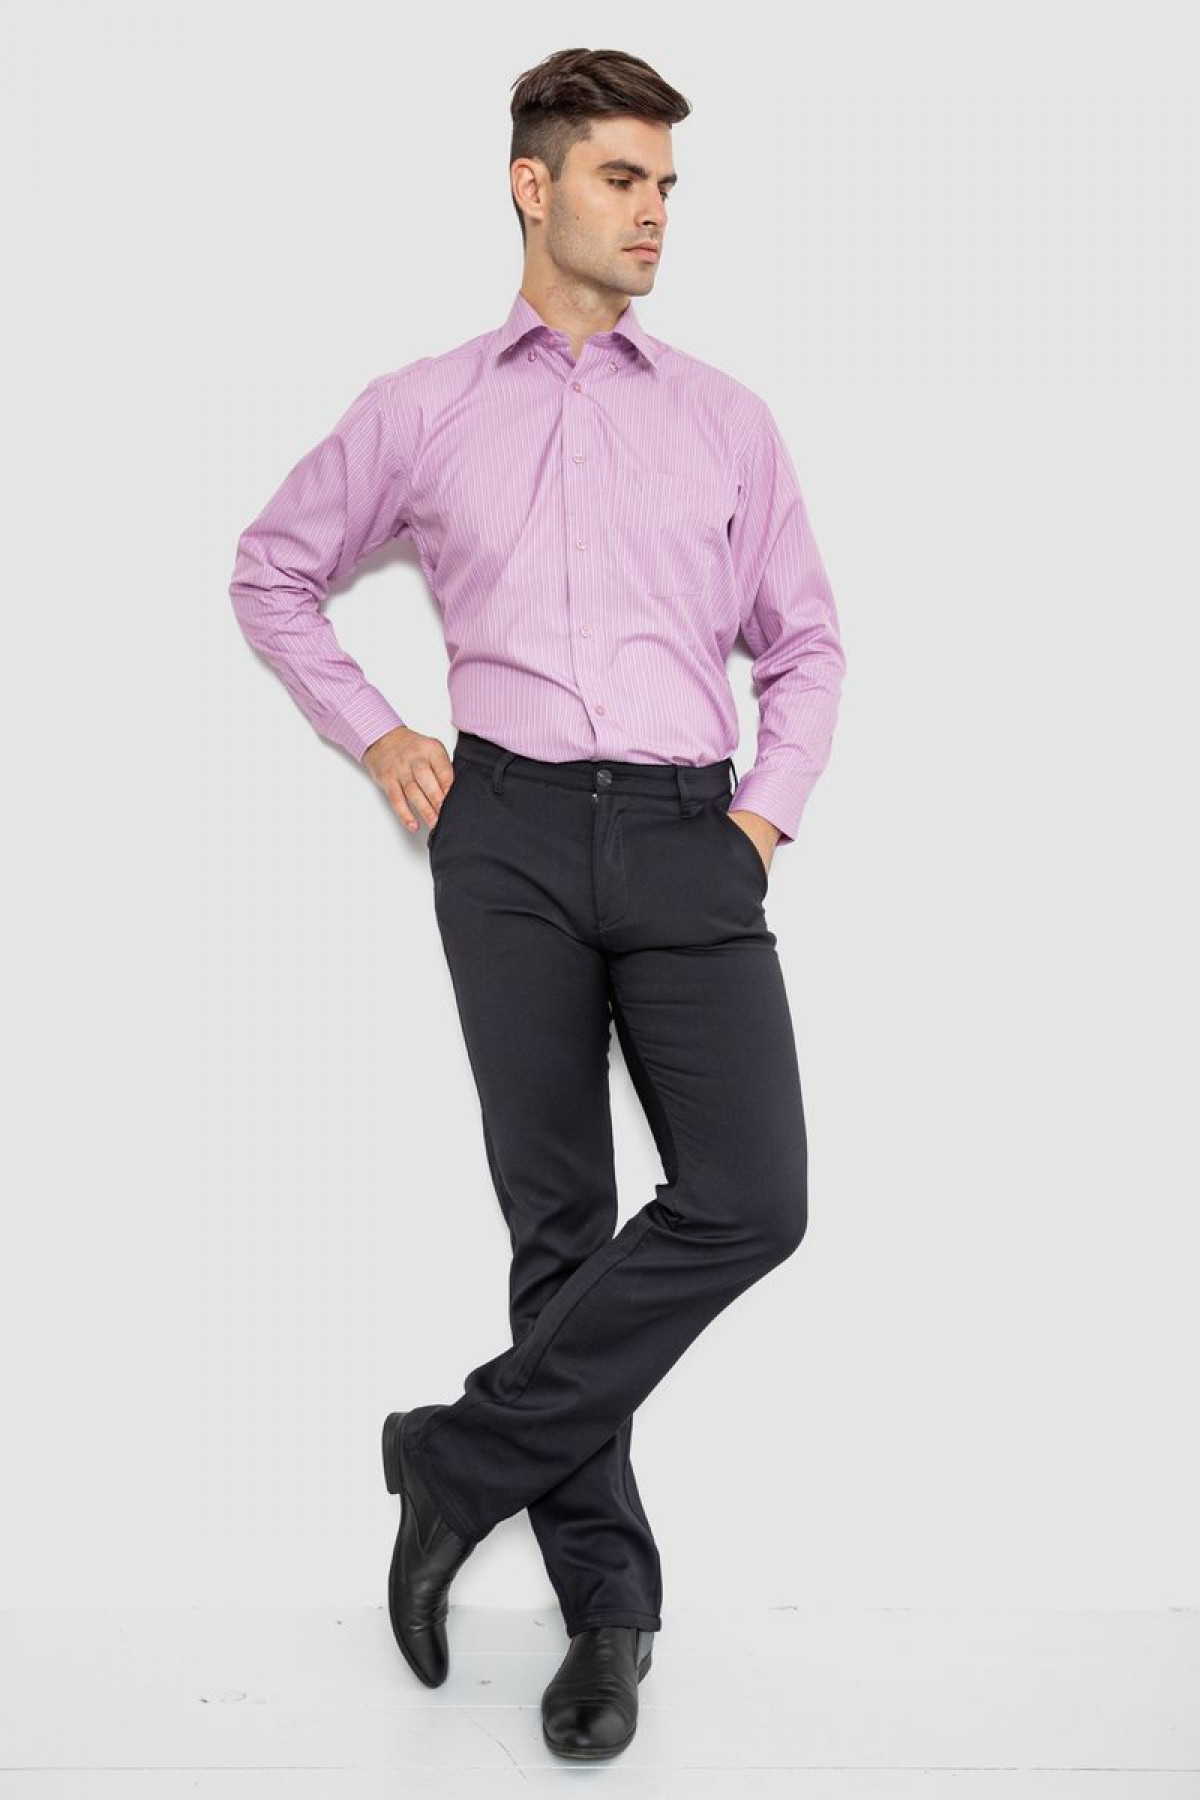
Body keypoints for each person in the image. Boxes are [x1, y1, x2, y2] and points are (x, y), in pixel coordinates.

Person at [228, 45, 846, 1763]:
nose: (654, 215)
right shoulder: (426, 406)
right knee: (560, 1222)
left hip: (688, 833)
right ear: (534, 185)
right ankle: (609, 1618)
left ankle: (455, 1458)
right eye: (623, 180)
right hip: (501, 831)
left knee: (753, 1197)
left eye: (668, 187)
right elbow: (273, 567)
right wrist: (378, 732)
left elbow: (806, 638)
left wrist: (760, 822)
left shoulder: (725, 418)